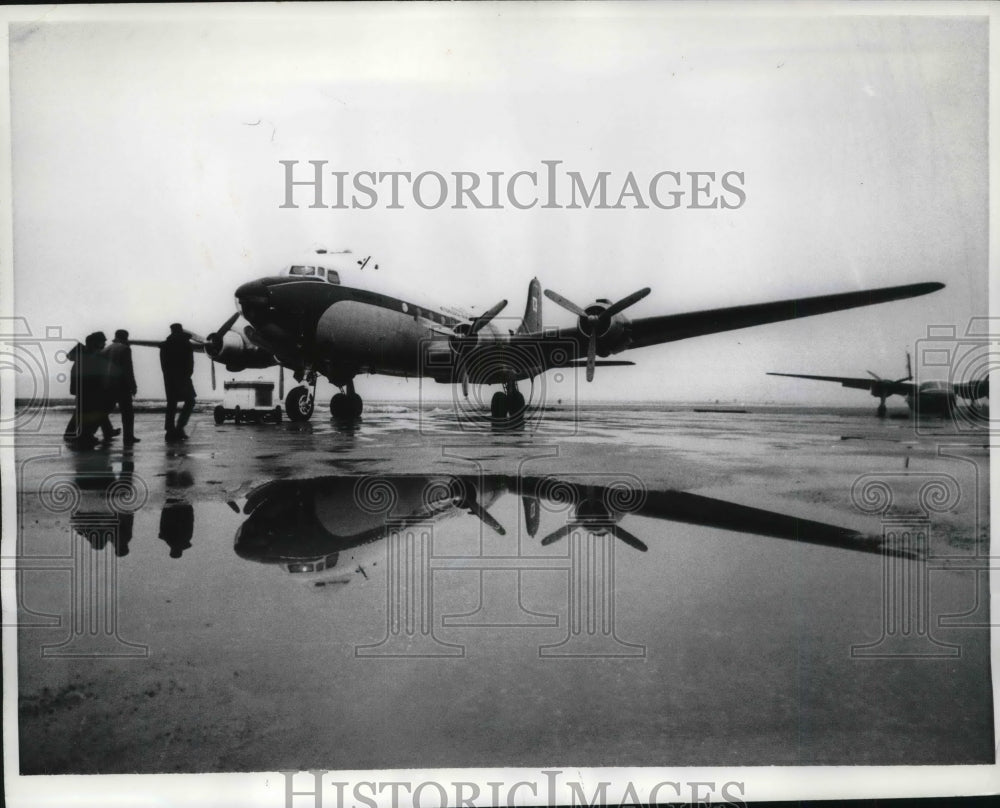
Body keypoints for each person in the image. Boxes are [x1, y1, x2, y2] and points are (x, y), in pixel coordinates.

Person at [64, 332, 118, 447]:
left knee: (83, 411)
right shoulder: (87, 354)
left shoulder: (85, 352)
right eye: (102, 341)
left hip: (84, 387)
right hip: (87, 387)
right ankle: (84, 436)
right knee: (89, 410)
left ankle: (73, 434)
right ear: (95, 342)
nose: (104, 344)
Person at [159, 323, 196, 440]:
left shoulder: (165, 345)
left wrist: (167, 375)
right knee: (190, 401)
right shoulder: (186, 344)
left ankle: (169, 431)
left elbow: (163, 364)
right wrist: (187, 375)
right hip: (183, 377)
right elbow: (190, 363)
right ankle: (180, 428)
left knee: (171, 404)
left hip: (169, 378)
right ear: (181, 330)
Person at [103, 329, 140, 444]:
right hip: (122, 385)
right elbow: (128, 369)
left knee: (104, 410)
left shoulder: (107, 349)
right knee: (127, 413)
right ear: (126, 337)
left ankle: (104, 432)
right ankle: (128, 436)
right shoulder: (125, 349)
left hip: (107, 384)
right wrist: (133, 386)